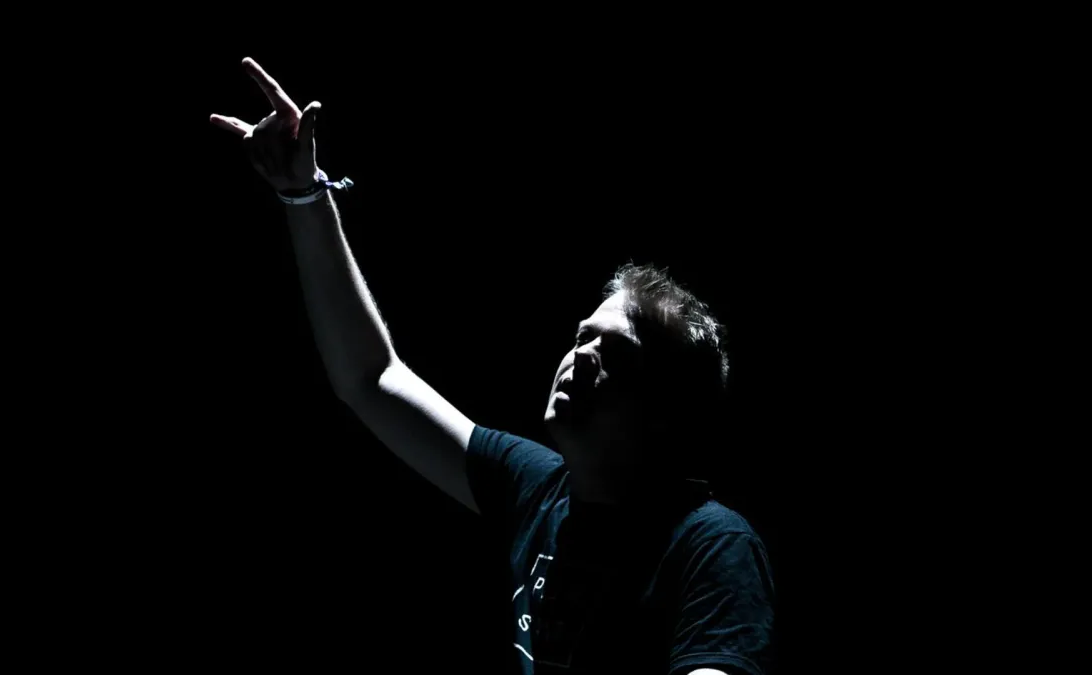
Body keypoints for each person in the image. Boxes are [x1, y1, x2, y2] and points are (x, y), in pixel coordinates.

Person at [211, 57, 776, 675]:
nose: (581, 355)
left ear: (666, 408)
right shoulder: (538, 487)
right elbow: (372, 378)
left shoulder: (711, 546)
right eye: (581, 337)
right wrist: (303, 196)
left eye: (615, 352)